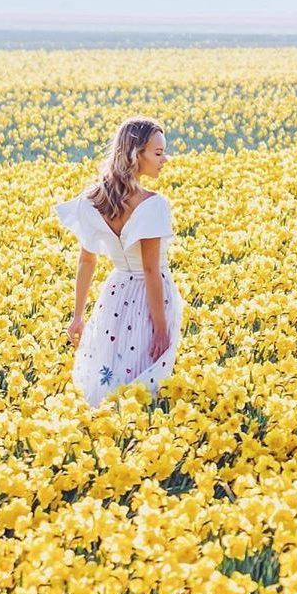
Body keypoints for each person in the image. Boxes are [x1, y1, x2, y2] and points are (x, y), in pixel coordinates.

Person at [54, 117, 184, 407]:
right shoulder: (152, 204)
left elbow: (86, 261)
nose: (165, 159)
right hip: (150, 298)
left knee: (112, 371)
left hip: (115, 295)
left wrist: (78, 316)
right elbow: (150, 270)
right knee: (145, 377)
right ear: (136, 155)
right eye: (158, 153)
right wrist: (161, 328)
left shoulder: (92, 200)